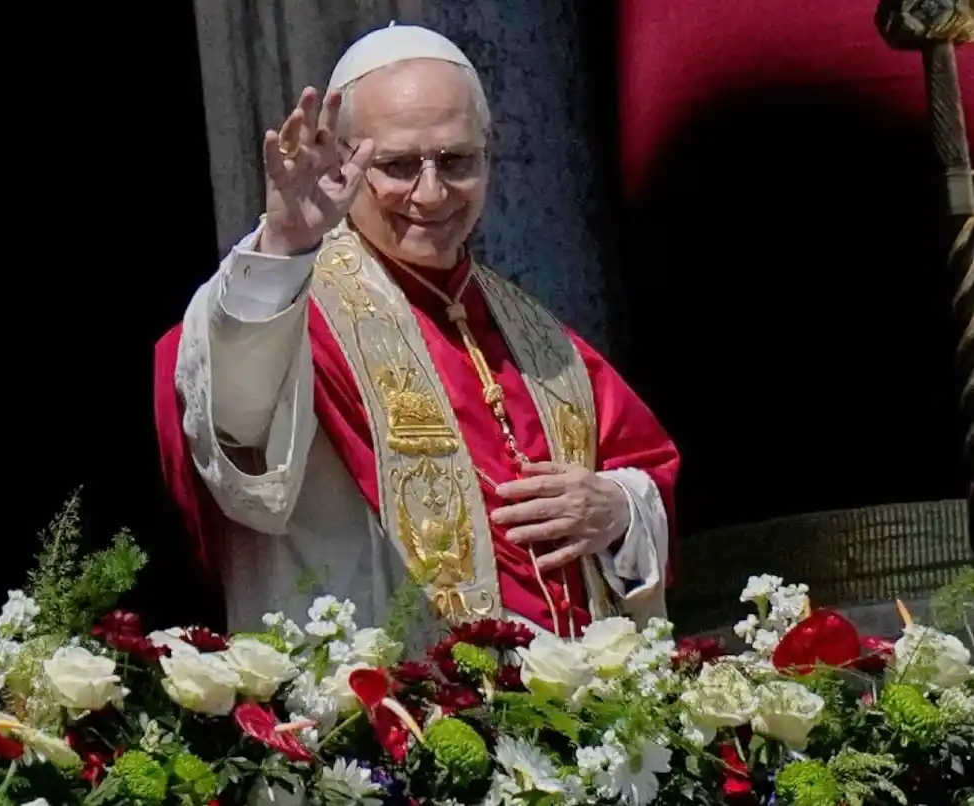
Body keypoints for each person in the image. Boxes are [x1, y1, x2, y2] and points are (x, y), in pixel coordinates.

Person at [154, 24, 680, 640]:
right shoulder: (284, 304)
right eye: (398, 166)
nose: (431, 195)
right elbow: (234, 424)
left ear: (490, 155)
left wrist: (616, 508)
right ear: (343, 162)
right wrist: (285, 243)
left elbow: (647, 471)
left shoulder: (539, 338)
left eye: (456, 161)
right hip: (383, 683)